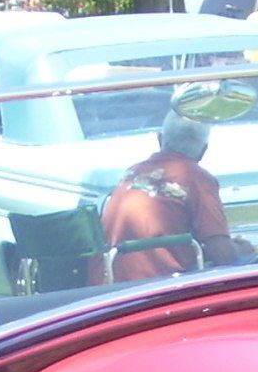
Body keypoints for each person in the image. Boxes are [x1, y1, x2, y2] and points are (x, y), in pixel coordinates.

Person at [99, 113, 250, 283]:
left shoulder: (131, 173)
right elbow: (223, 255)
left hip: (114, 285)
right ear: (203, 150)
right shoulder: (197, 178)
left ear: (160, 139)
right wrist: (247, 251)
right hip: (163, 286)